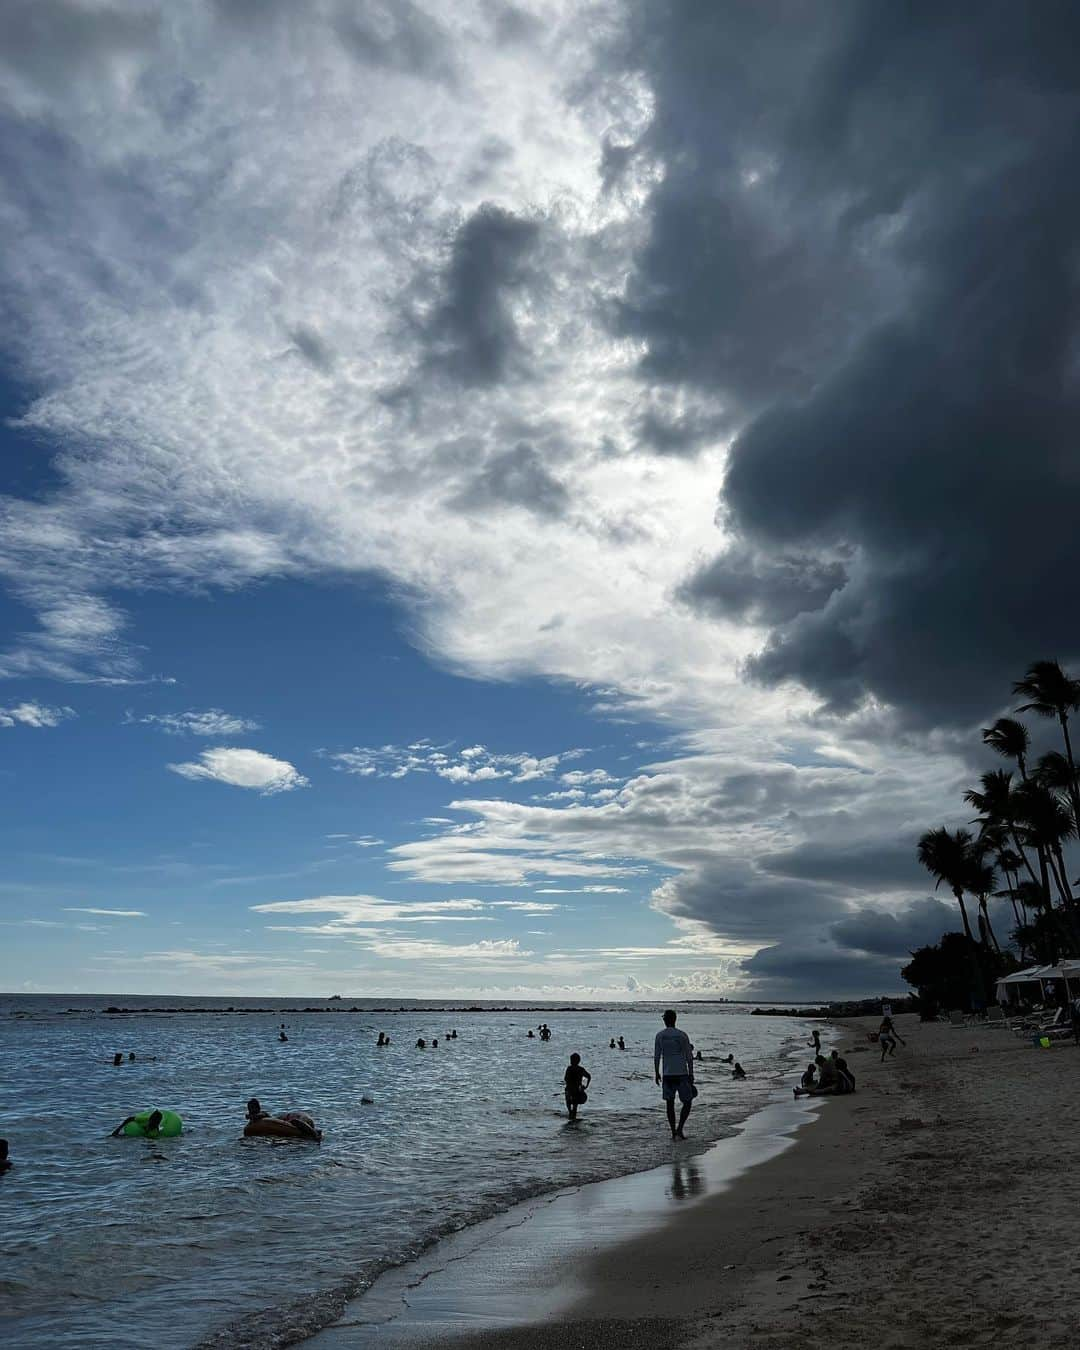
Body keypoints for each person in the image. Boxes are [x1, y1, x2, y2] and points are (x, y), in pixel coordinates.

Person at [654, 1009, 695, 1140]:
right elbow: (689, 1056)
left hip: (667, 1074)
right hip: (682, 1073)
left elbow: (657, 1056)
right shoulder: (682, 1035)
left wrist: (656, 1072)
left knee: (669, 1104)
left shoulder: (660, 1035)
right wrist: (691, 1073)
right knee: (687, 1102)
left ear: (665, 1020)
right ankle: (680, 1129)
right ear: (675, 1019)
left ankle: (673, 1132)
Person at [245, 1097, 322, 1142]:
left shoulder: (263, 1114)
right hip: (286, 1123)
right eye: (250, 1109)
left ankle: (315, 1134)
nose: (252, 1111)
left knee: (294, 1121)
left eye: (253, 1108)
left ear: (258, 1108)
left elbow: (261, 1116)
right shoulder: (256, 1122)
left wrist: (250, 1116)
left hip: (300, 1118)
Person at [564, 1052, 591, 1120]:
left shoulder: (570, 1068)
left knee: (569, 1102)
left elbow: (565, 1078)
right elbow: (588, 1076)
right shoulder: (580, 1069)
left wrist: (584, 1086)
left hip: (570, 1089)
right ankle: (573, 1115)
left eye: (572, 1060)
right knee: (574, 1104)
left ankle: (571, 1113)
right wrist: (585, 1086)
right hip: (576, 1089)